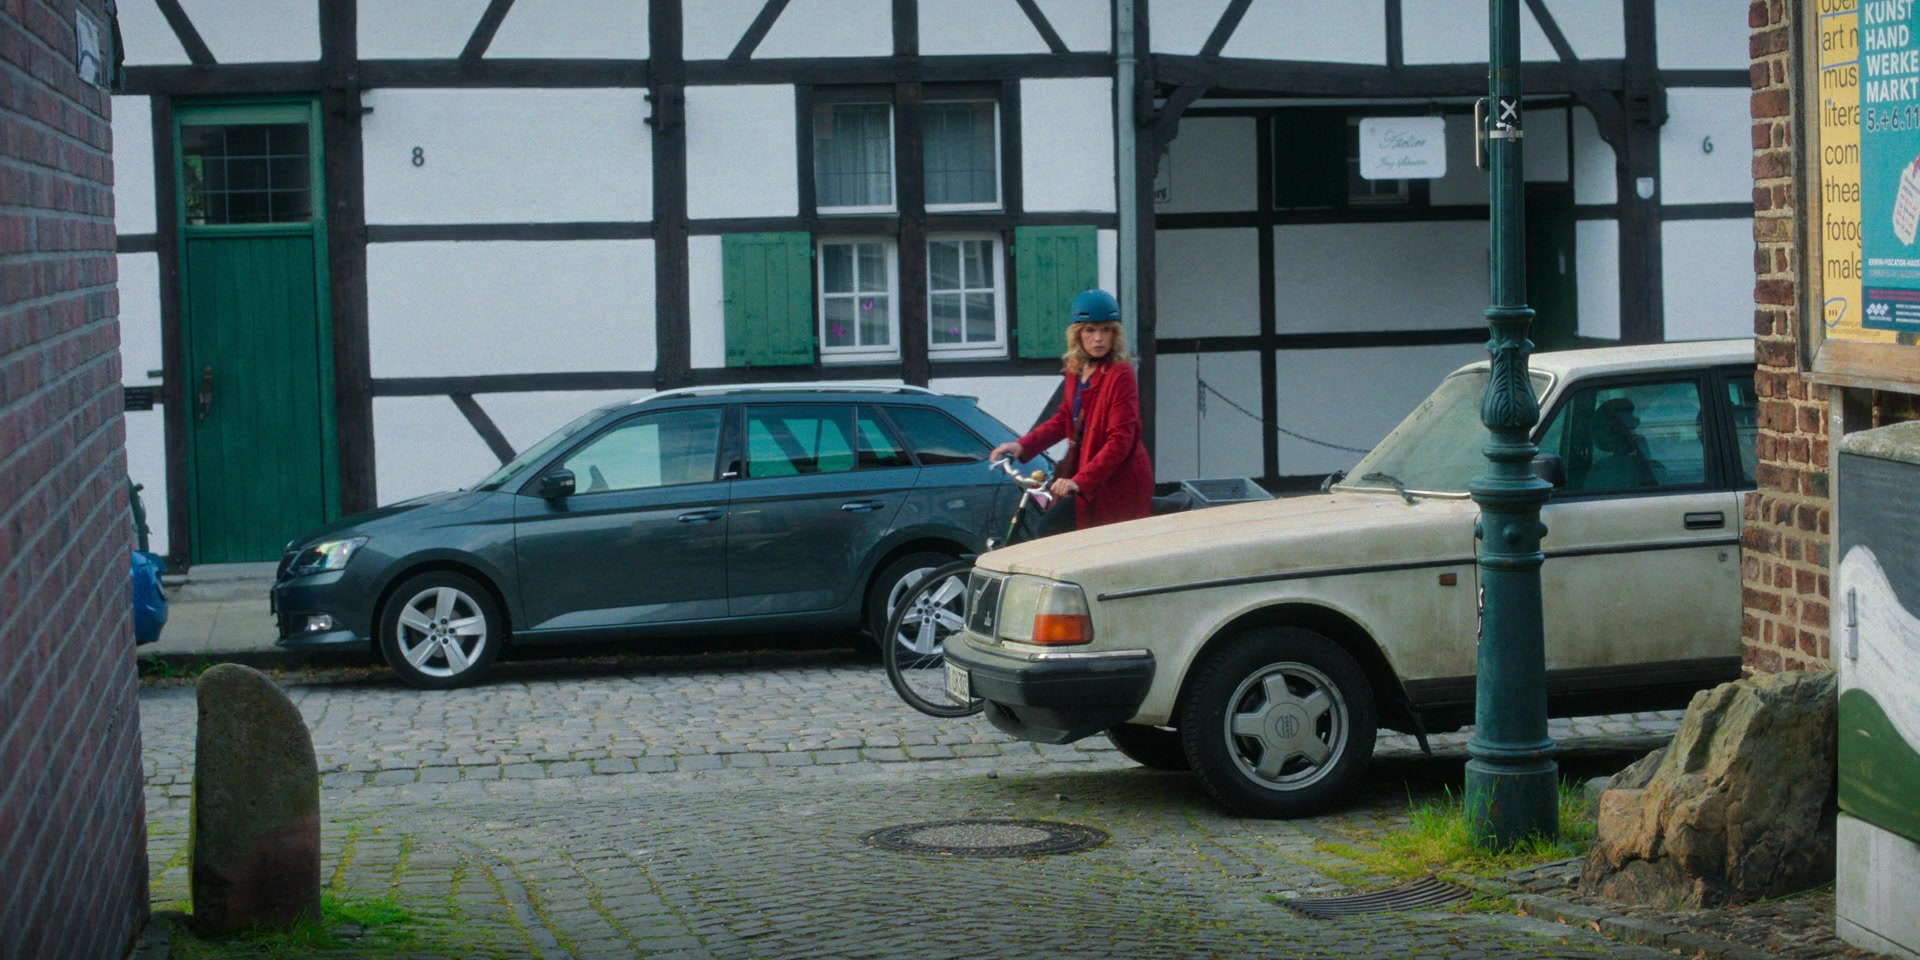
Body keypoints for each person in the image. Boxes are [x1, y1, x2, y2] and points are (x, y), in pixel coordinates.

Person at [989, 290, 1154, 529]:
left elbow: (1121, 440)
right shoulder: (1076, 368)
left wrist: (1080, 481)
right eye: (1090, 330)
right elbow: (1064, 419)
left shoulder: (1120, 373)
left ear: (1114, 334)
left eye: (1106, 330)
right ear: (1077, 333)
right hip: (1084, 473)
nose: (1098, 338)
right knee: (1054, 530)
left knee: (1065, 534)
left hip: (1116, 481)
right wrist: (1022, 446)